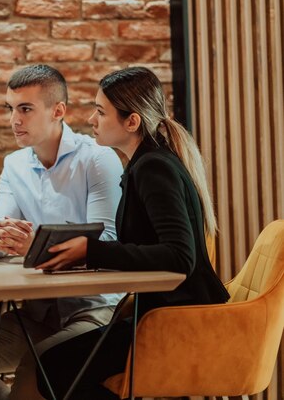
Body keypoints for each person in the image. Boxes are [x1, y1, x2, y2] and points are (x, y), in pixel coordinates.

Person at [35, 66, 230, 400]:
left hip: (178, 322)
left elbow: (180, 257)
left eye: (100, 111)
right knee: (56, 365)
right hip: (160, 315)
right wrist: (87, 253)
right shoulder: (148, 164)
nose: (92, 120)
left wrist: (91, 251)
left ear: (132, 121)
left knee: (53, 368)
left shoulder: (153, 168)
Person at [0, 64, 124, 400]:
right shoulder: (15, 164)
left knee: (37, 366)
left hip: (95, 310)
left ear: (58, 111)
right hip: (39, 314)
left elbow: (107, 244)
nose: (14, 120)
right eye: (11, 109)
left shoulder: (98, 159)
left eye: (25, 109)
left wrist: (35, 246)